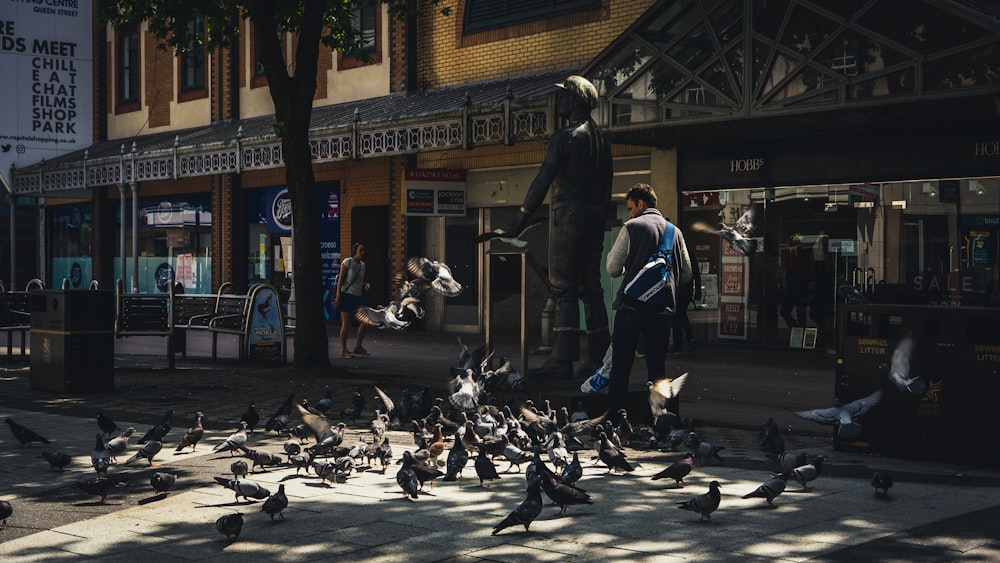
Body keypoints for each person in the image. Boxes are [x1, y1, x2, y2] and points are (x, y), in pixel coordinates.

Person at [492, 75, 613, 380]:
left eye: (563, 96)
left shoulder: (566, 137)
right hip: (594, 216)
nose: (559, 101)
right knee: (592, 288)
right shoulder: (602, 140)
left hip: (568, 215)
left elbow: (543, 180)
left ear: (575, 100)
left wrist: (520, 218)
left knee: (565, 289)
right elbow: (607, 190)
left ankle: (562, 360)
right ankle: (600, 358)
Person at [585, 183, 691, 417]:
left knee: (621, 365)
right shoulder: (675, 232)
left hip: (631, 307)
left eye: (631, 207)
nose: (630, 212)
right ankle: (660, 419)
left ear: (641, 204)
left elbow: (612, 268)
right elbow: (686, 274)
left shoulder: (632, 227)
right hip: (663, 311)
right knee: (657, 368)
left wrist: (632, 270)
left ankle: (615, 418)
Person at [334, 242, 371, 359]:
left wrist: (365, 285)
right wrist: (338, 295)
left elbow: (359, 281)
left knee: (367, 320)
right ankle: (344, 350)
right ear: (355, 251)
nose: (363, 253)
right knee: (346, 323)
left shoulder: (363, 265)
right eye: (361, 250)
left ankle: (358, 347)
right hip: (347, 295)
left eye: (364, 250)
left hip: (358, 296)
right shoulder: (347, 262)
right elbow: (341, 279)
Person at [672, 240, 701, 353]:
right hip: (687, 290)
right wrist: (697, 291)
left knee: (676, 316)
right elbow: (696, 274)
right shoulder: (690, 254)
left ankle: (678, 344)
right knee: (681, 314)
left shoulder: (674, 254)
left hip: (677, 289)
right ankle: (689, 338)